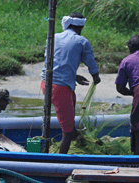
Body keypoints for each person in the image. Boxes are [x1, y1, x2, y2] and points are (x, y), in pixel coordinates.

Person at [40, 12, 101, 154]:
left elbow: (54, 63)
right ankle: (60, 162)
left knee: (71, 107)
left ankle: (74, 132)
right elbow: (90, 62)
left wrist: (74, 76)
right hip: (60, 89)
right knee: (66, 132)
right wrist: (96, 77)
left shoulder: (53, 37)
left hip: (46, 83)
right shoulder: (82, 41)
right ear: (81, 27)